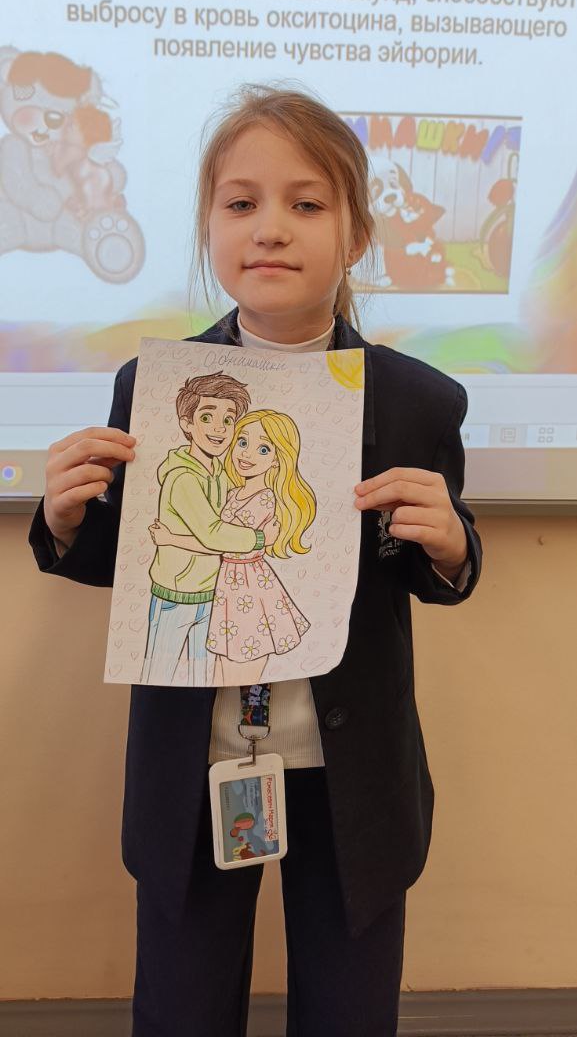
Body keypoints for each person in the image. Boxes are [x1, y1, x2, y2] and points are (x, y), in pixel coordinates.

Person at [29, 84, 483, 1037]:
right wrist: (67, 521)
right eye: (240, 203)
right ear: (209, 228)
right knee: (182, 1007)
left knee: (349, 1008)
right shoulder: (153, 387)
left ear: (355, 236)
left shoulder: (417, 402)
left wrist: (451, 548)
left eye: (305, 203)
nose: (270, 228)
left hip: (348, 770)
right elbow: (136, 560)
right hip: (193, 762)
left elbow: (431, 566)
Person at [151, 408, 317, 686]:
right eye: (242, 442)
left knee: (246, 679)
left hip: (249, 591)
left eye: (263, 449)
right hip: (230, 588)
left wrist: (171, 539)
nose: (247, 454)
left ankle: (254, 715)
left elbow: (221, 544)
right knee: (220, 673)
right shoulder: (233, 492)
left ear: (277, 459)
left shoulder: (264, 499)